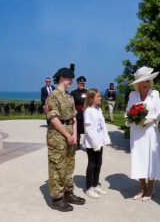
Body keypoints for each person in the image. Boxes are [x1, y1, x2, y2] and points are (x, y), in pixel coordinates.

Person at [45, 67, 85, 212]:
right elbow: (54, 119)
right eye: (70, 78)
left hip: (70, 134)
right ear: (62, 78)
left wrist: (74, 135)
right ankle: (57, 198)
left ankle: (68, 193)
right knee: (57, 166)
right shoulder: (53, 96)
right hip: (57, 135)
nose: (72, 81)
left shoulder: (69, 97)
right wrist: (68, 135)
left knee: (69, 165)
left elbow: (74, 118)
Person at [125, 66, 160, 201]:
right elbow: (127, 112)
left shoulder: (155, 94)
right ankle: (142, 187)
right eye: (144, 81)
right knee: (139, 159)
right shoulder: (132, 95)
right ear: (138, 83)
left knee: (150, 159)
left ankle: (151, 187)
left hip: (150, 132)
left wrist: (152, 119)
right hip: (137, 132)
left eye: (148, 81)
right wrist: (132, 120)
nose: (147, 84)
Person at [83, 88, 111, 199]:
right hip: (91, 144)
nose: (100, 98)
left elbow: (103, 125)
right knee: (92, 164)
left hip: (99, 142)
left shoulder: (98, 110)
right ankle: (89, 188)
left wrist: (106, 137)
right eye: (98, 96)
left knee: (99, 164)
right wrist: (94, 143)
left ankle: (95, 184)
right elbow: (88, 129)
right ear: (91, 99)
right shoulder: (88, 111)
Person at [70, 76, 88, 149]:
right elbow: (71, 104)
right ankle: (77, 144)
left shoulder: (87, 92)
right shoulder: (73, 93)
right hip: (77, 114)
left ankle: (88, 145)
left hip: (86, 114)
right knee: (77, 130)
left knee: (87, 130)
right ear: (78, 83)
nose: (82, 84)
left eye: (83, 83)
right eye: (81, 83)